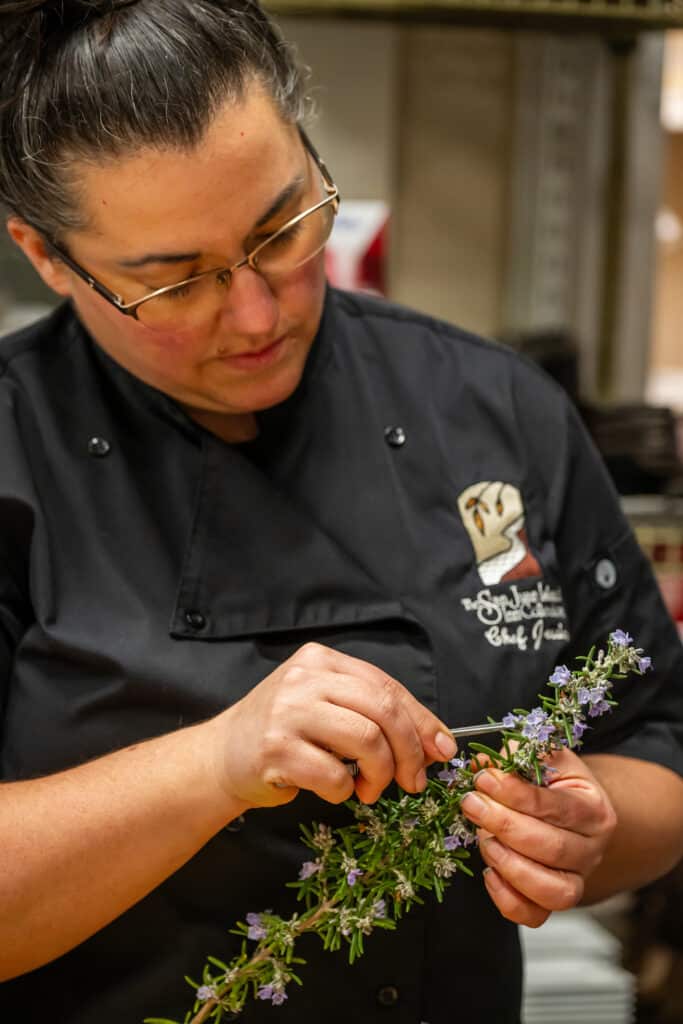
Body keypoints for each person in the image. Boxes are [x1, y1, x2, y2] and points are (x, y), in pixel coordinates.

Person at [0, 2, 682, 1022]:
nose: (256, 314)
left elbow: (653, 737)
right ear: (49, 257)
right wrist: (214, 765)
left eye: (282, 227)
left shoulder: (490, 410)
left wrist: (586, 830)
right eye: (176, 283)